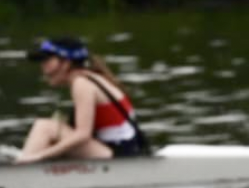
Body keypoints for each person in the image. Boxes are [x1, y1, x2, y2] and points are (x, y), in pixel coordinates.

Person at [13, 36, 149, 163]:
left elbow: (83, 135)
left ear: (65, 63)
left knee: (45, 127)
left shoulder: (81, 83)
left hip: (120, 157)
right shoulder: (93, 76)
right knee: (55, 127)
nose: (43, 67)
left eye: (47, 60)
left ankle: (21, 169)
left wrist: (40, 155)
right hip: (123, 150)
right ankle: (27, 164)